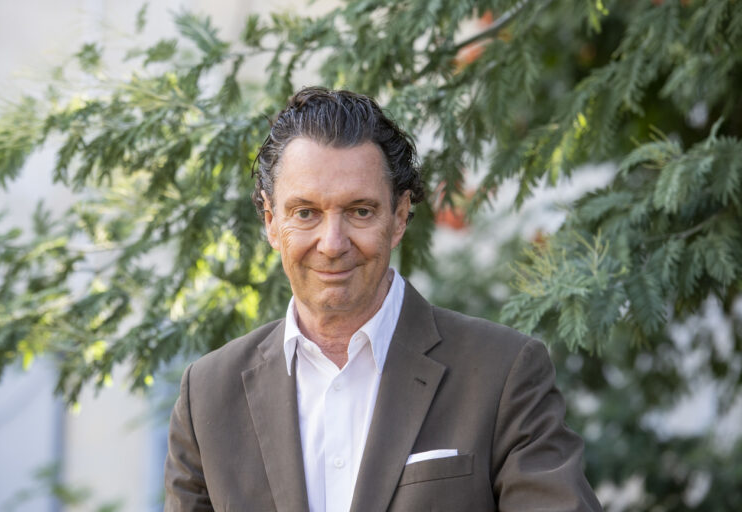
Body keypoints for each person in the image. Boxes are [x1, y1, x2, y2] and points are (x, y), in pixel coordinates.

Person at [164, 87, 602, 511]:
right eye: (305, 213)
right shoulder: (206, 396)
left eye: (360, 211)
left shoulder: (501, 373)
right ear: (271, 222)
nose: (332, 243)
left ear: (398, 217)